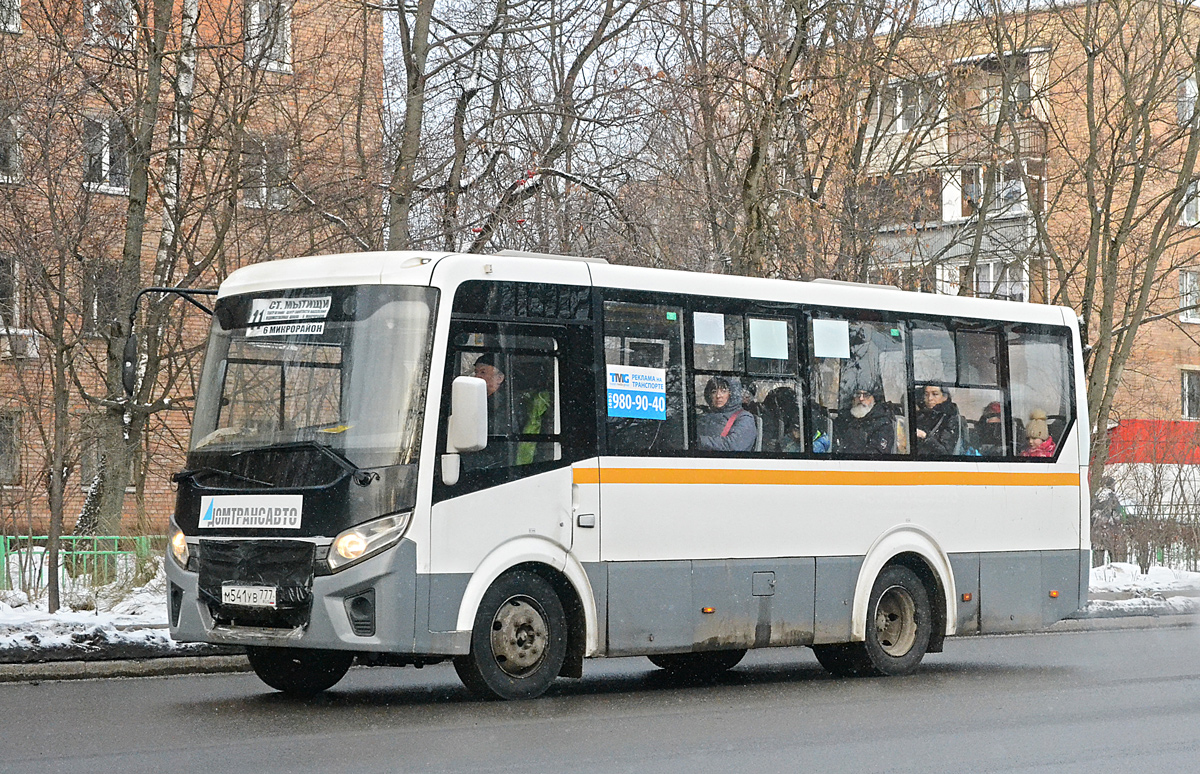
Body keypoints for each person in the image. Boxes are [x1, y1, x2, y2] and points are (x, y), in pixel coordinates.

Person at [697, 376, 757, 452]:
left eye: (723, 391)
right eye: (714, 391)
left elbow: (733, 446)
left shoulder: (745, 418)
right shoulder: (704, 416)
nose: (718, 396)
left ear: (732, 394)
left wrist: (698, 441)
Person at [833, 388, 893, 454]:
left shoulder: (883, 423)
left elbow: (876, 456)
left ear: (874, 399)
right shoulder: (841, 421)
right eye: (858, 394)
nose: (861, 399)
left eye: (866, 395)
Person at [915, 384, 960, 456]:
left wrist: (924, 436)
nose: (930, 398)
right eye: (926, 395)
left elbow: (945, 452)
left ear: (945, 397)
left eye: (935, 394)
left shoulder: (950, 417)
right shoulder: (921, 415)